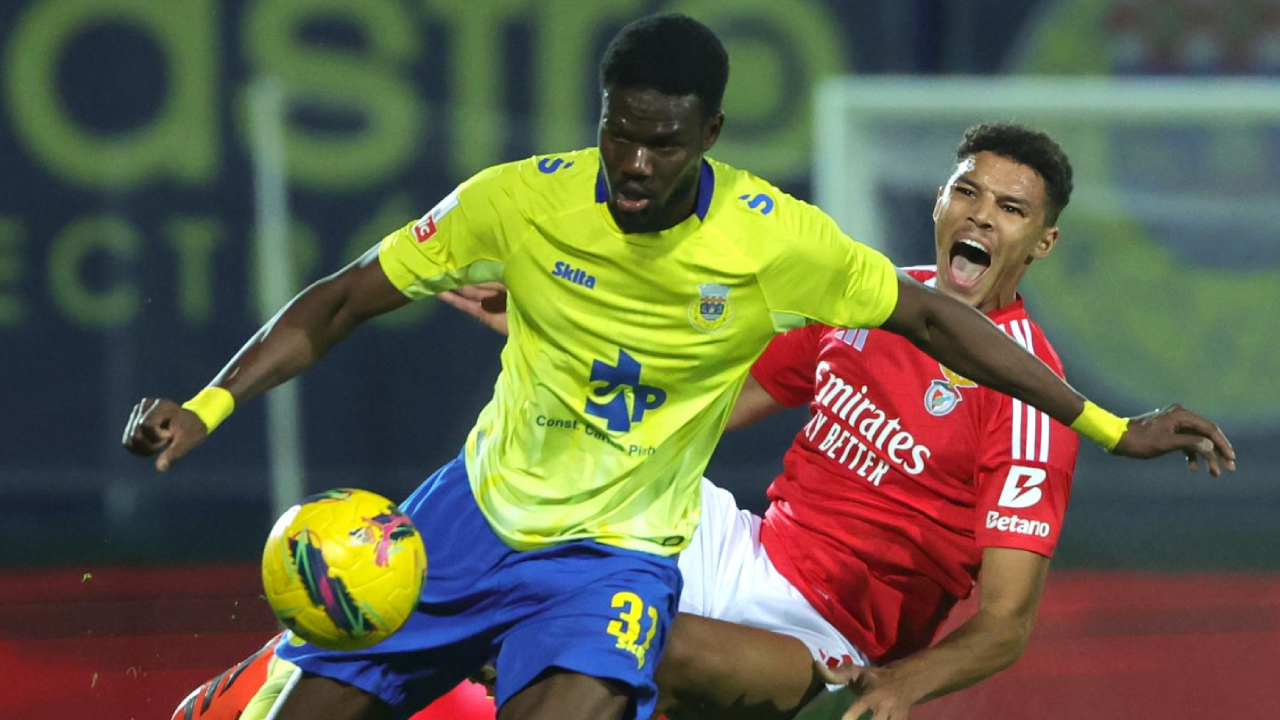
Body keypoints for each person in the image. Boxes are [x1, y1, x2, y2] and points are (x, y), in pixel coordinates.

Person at [125, 13, 1231, 720]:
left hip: (738, 594)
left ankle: (466, 660)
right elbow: (350, 298)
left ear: (709, 133)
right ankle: (296, 669)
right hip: (636, 522)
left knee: (610, 668)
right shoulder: (520, 199)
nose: (637, 163)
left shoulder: (796, 250)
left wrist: (1110, 428)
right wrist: (215, 402)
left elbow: (1002, 608)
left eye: (1009, 208)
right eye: (967, 192)